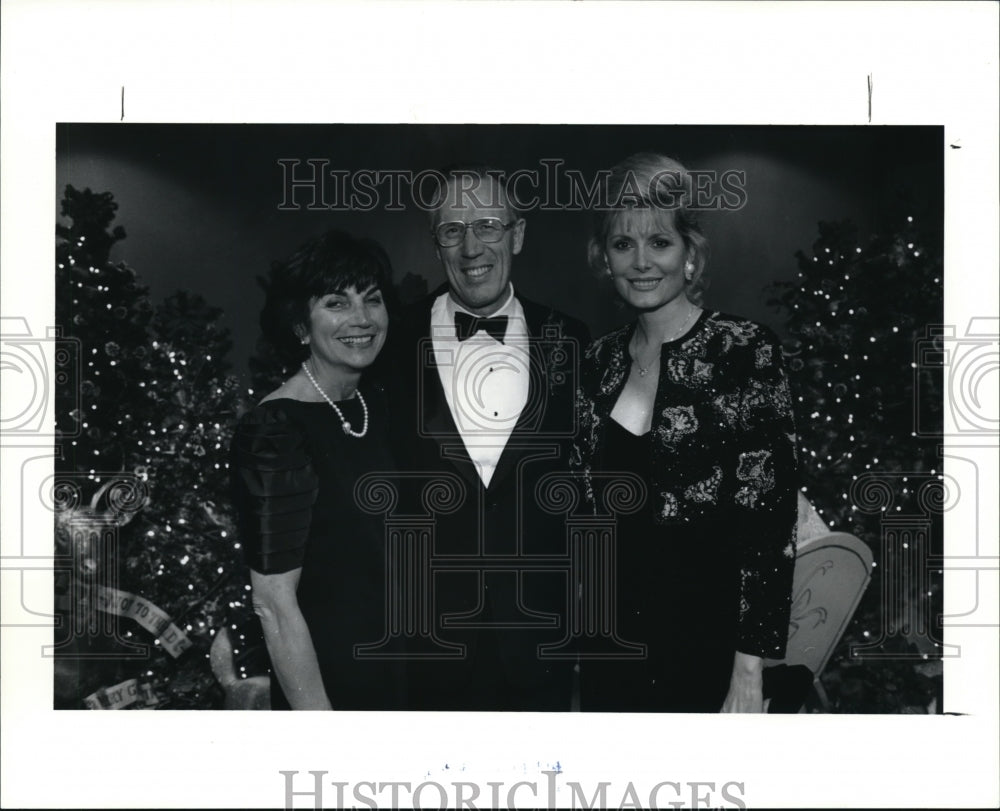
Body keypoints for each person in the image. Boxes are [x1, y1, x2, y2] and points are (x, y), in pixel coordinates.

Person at [572, 152, 799, 712]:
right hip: (611, 649)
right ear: (604, 258)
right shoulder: (595, 363)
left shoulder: (745, 349)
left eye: (660, 243)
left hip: (711, 648)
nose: (642, 262)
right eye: (624, 244)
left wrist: (749, 671)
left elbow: (769, 523)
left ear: (690, 256)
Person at [385, 165, 590, 711]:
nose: (471, 246)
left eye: (488, 226)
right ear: (436, 245)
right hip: (421, 647)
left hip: (539, 643)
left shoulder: (571, 340)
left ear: (517, 235)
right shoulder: (388, 346)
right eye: (452, 230)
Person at [230, 229, 405, 710]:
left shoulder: (378, 405)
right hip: (331, 682)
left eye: (371, 300)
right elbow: (273, 604)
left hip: (400, 671)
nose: (362, 319)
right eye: (337, 303)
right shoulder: (274, 428)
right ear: (301, 326)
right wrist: (320, 730)